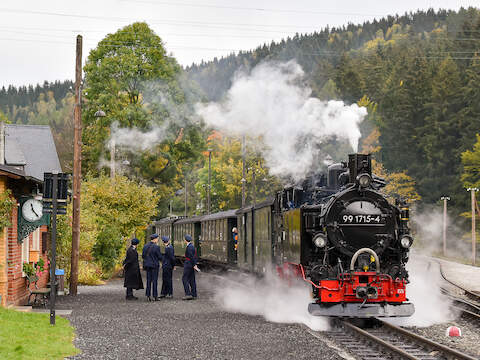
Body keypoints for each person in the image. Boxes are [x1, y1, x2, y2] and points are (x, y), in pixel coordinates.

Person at [142, 233, 163, 301]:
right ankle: (155, 296)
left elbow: (143, 256)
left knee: (148, 281)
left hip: (147, 265)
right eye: (157, 239)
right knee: (154, 281)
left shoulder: (145, 246)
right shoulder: (156, 247)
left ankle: (148, 296)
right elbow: (159, 257)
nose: (158, 240)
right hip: (154, 266)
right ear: (155, 239)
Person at [182, 234, 199, 300]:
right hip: (191, 264)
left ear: (185, 240)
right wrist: (195, 264)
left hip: (188, 264)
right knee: (192, 279)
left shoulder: (189, 247)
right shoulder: (192, 246)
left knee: (184, 279)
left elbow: (191, 257)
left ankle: (188, 294)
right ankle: (194, 294)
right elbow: (195, 256)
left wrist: (194, 265)